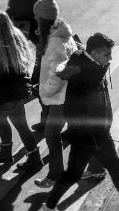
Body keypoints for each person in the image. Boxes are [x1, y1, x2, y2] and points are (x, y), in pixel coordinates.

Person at [38, 33, 119, 211]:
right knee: (74, 174)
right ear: (93, 53)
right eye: (106, 54)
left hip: (98, 131)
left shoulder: (88, 64)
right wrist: (88, 134)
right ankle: (48, 208)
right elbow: (79, 100)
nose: (110, 59)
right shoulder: (84, 71)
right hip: (87, 134)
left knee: (115, 167)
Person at [0, 11, 41, 169]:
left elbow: (1, 70)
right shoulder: (13, 38)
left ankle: (34, 158)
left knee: (20, 126)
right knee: (2, 120)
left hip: (6, 93)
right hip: (13, 91)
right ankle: (6, 153)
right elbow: (7, 66)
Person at [32, 15, 90, 188]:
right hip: (69, 94)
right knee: (76, 133)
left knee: (51, 134)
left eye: (38, 26)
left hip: (61, 97)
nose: (35, 30)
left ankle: (55, 174)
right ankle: (92, 166)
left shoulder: (54, 45)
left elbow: (58, 74)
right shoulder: (64, 35)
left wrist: (43, 90)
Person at [30, 0, 60, 130]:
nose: (35, 18)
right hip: (44, 79)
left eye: (37, 16)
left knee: (52, 136)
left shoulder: (53, 39)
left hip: (53, 88)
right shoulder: (48, 33)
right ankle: (45, 123)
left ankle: (48, 125)